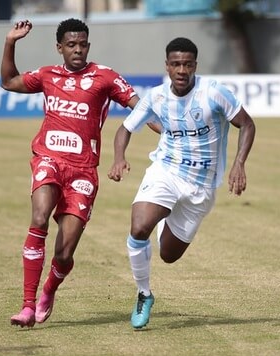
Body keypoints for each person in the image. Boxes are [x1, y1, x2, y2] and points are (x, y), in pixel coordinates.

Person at [1, 18, 156, 328]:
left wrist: (169, 132)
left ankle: (49, 291)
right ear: (59, 47)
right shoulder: (47, 75)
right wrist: (10, 42)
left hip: (84, 172)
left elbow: (141, 109)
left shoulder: (105, 77)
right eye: (71, 45)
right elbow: (8, 82)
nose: (78, 50)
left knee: (64, 252)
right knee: (40, 218)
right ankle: (27, 305)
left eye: (82, 44)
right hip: (48, 158)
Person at [107, 37, 256, 329]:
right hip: (166, 171)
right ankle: (143, 293)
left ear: (195, 66)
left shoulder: (214, 93)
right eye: (176, 64)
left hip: (201, 188)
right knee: (138, 228)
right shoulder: (156, 97)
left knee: (168, 255)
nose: (181, 70)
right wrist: (118, 157)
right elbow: (125, 128)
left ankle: (166, 215)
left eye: (187, 64)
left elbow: (247, 124)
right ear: (167, 66)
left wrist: (239, 163)